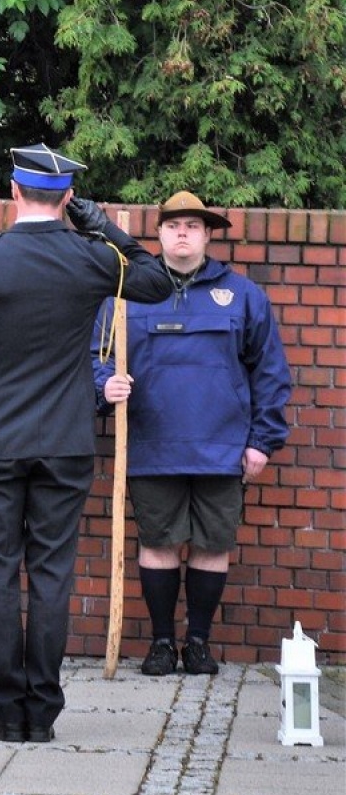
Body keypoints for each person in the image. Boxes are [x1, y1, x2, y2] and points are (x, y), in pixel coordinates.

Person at [0, 144, 173, 745]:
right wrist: (102, 225)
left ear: (13, 192)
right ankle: (44, 711)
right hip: (64, 440)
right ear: (66, 197)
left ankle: (7, 710)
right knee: (53, 574)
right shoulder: (90, 258)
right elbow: (158, 279)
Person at [92, 191, 291, 678]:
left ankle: (197, 643)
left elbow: (270, 372)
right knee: (158, 543)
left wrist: (261, 441)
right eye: (173, 224)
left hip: (222, 448)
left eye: (193, 226)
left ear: (207, 235)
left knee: (212, 545)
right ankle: (162, 643)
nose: (182, 233)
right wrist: (105, 386)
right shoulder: (124, 296)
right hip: (151, 445)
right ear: (157, 234)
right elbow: (94, 360)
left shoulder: (243, 295)